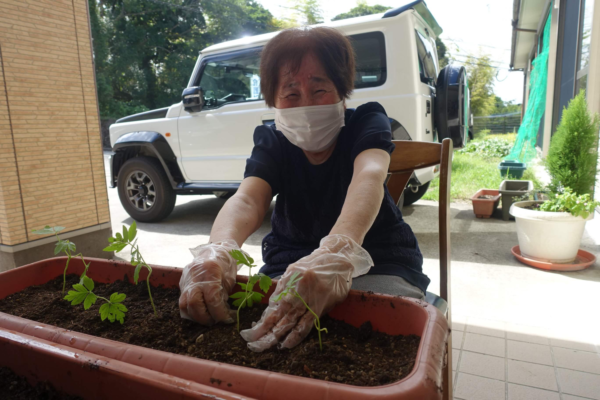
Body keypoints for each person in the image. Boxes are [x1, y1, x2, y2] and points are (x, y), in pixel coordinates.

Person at [179, 27, 429, 352]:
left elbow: (368, 176)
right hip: (288, 265)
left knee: (380, 344)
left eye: (319, 88)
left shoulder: (366, 122)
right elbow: (247, 198)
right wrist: (219, 249)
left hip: (377, 261)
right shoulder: (274, 140)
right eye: (291, 93)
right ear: (274, 101)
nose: (306, 104)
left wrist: (336, 253)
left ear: (342, 91)